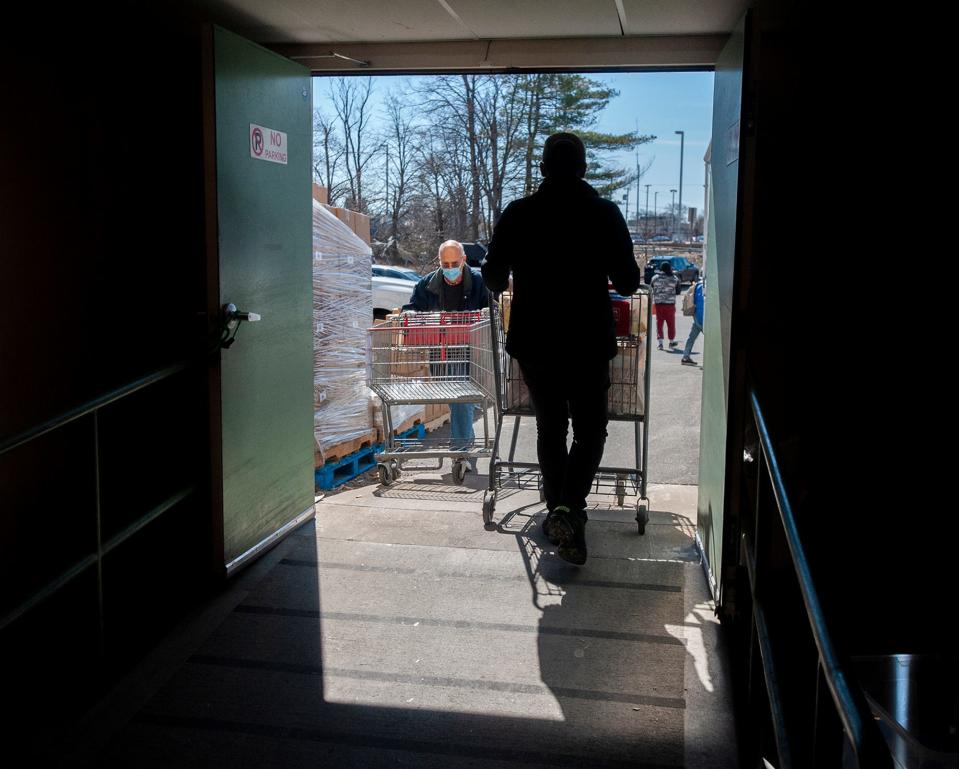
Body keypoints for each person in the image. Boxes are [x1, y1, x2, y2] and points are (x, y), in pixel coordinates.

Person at [482, 132, 640, 565]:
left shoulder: (518, 213)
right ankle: (571, 509)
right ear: (584, 170)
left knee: (550, 430)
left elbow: (493, 279)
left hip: (535, 343)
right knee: (590, 431)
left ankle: (559, 511)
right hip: (588, 342)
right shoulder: (604, 213)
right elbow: (628, 281)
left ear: (542, 170)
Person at [403, 240, 489, 472]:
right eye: (445, 263)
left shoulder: (479, 282)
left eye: (454, 263)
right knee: (457, 399)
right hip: (442, 350)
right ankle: (466, 442)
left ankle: (460, 451)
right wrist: (409, 315)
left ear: (463, 260)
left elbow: (491, 310)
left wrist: (483, 316)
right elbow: (413, 308)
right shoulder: (427, 284)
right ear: (439, 262)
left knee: (461, 397)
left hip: (474, 350)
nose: (450, 267)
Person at [651, 261, 680, 350]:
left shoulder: (655, 278)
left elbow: (651, 287)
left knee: (659, 323)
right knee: (671, 324)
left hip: (658, 304)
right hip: (670, 305)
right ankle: (671, 342)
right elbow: (678, 291)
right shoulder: (674, 278)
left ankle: (660, 344)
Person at [681, 277, 705, 365]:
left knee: (691, 337)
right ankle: (709, 360)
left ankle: (685, 356)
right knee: (710, 340)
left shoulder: (697, 285)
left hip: (697, 316)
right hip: (705, 318)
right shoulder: (710, 287)